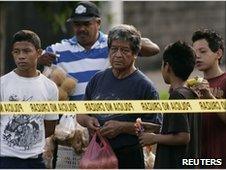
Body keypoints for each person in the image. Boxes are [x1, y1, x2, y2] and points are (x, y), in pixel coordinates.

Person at [76, 24, 162, 169]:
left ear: (135, 54)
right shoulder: (98, 79)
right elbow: (81, 114)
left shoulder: (145, 87)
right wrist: (88, 120)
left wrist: (123, 127)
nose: (118, 55)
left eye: (125, 50)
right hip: (97, 155)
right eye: (114, 49)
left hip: (129, 157)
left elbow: (156, 128)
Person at [37, 1, 160, 100]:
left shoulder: (113, 44)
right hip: (73, 124)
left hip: (107, 118)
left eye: (86, 24)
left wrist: (127, 40)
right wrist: (38, 61)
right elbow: (29, 57)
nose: (81, 29)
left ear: (98, 23)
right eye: (77, 24)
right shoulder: (59, 49)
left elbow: (154, 49)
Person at [0, 30, 59, 168]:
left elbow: (50, 127)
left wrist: (30, 139)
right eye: (17, 51)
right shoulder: (2, 84)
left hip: (36, 160)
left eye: (27, 51)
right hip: (5, 159)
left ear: (39, 53)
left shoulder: (50, 87)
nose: (21, 56)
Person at [137, 41, 198, 168]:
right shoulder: (191, 94)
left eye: (162, 64)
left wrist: (154, 138)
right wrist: (155, 128)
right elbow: (180, 127)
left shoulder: (177, 97)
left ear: (167, 66)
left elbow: (183, 136)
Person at [192, 29, 226, 168]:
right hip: (199, 161)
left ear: (218, 53)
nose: (197, 56)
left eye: (203, 51)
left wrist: (209, 98)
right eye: (195, 53)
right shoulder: (192, 85)